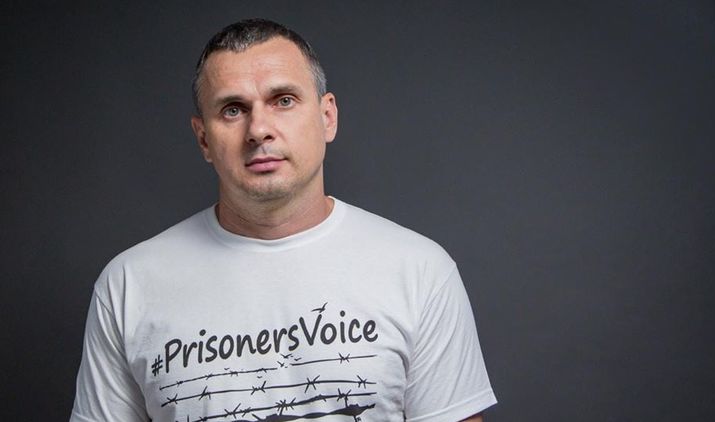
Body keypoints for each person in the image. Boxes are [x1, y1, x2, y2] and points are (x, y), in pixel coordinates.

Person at [70, 18, 497, 422]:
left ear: (327, 117)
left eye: (284, 101)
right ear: (203, 139)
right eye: (233, 109)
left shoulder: (419, 271)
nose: (259, 130)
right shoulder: (128, 284)